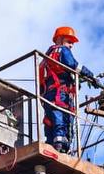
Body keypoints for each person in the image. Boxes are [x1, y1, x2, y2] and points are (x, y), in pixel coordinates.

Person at [40, 25, 99, 154]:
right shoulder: (62, 50)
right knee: (62, 119)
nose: (71, 45)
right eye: (69, 41)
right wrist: (91, 76)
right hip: (60, 94)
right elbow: (74, 65)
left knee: (51, 121)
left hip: (47, 96)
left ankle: (51, 145)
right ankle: (61, 147)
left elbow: (41, 81)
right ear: (59, 39)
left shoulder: (44, 59)